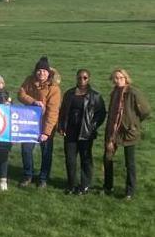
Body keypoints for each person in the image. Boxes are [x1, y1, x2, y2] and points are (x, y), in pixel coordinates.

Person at [103, 69, 150, 200]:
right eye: (116, 78)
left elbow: (145, 111)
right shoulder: (114, 93)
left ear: (126, 78)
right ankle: (108, 186)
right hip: (113, 131)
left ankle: (130, 191)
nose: (118, 80)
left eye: (120, 77)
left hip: (129, 131)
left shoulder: (133, 92)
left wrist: (134, 123)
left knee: (129, 162)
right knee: (107, 157)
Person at [58, 69, 106, 195]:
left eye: (85, 78)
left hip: (85, 132)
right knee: (70, 159)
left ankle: (85, 185)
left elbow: (101, 113)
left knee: (86, 159)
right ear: (76, 78)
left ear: (88, 79)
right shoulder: (69, 94)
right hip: (70, 131)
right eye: (79, 77)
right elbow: (63, 111)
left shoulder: (95, 96)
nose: (82, 80)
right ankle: (71, 184)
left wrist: (92, 127)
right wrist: (62, 126)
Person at [18, 56, 61, 189]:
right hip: (29, 123)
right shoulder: (29, 81)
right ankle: (28, 175)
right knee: (26, 150)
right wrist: (33, 101)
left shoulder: (54, 88)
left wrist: (46, 132)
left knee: (46, 152)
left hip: (46, 124)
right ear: (35, 71)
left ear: (49, 73)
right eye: (39, 70)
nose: (41, 73)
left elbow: (53, 112)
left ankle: (43, 178)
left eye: (44, 71)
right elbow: (20, 94)